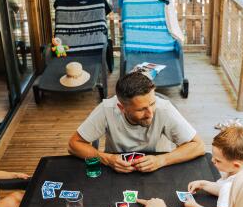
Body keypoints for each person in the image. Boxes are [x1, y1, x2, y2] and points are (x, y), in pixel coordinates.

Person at [68, 72, 205, 173]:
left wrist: (161, 160)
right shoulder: (106, 109)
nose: (150, 113)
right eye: (141, 109)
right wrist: (107, 159)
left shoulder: (164, 109)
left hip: (159, 167)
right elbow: (73, 145)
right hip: (114, 169)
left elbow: (198, 146)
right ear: (122, 108)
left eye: (152, 103)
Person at [185, 125, 243, 207]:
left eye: (218, 160)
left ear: (235, 165)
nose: (212, 160)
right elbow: (221, 189)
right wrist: (202, 184)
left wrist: (194, 206)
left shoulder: (229, 187)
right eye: (213, 156)